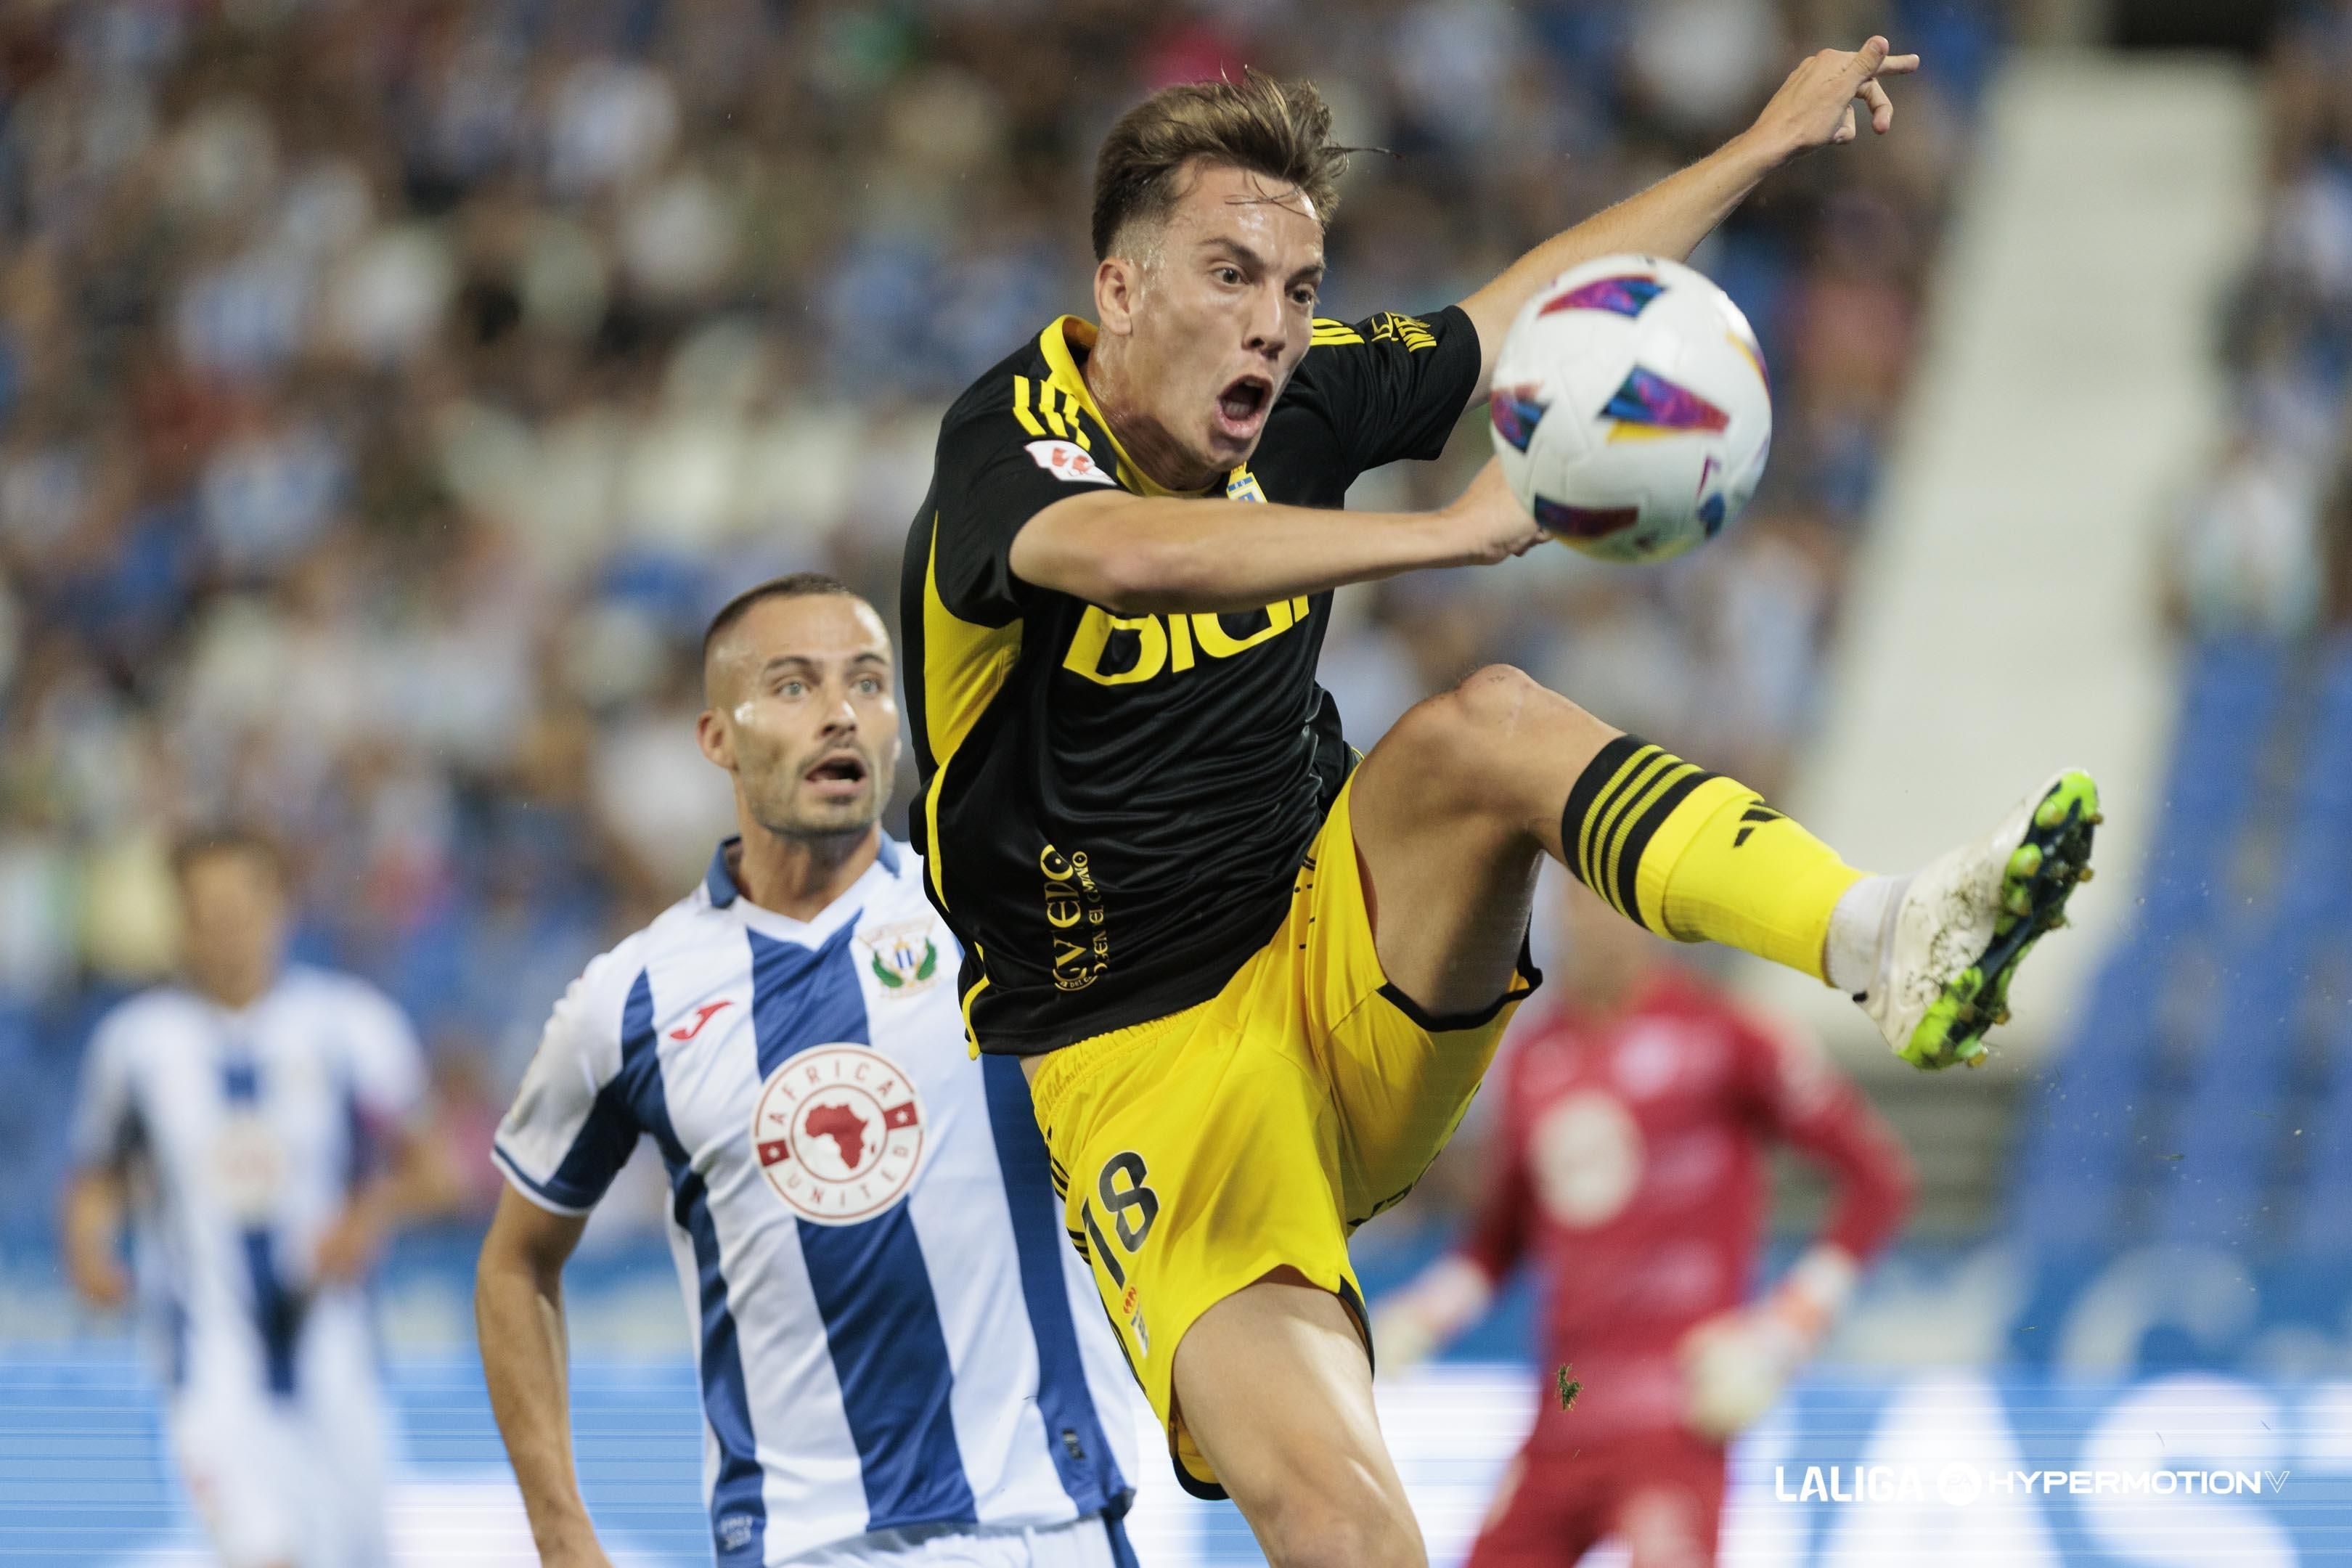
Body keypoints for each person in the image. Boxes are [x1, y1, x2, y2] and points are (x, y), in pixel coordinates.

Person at [899, 42, 2100, 1568]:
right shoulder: (1009, 440)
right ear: (1119, 294)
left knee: (1488, 732)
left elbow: (1520, 306)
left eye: (1301, 288)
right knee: (1340, 1518)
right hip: (1142, 1067)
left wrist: (1760, 144)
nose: (1274, 324)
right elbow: (1127, 553)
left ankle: (1879, 935)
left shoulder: (1301, 407)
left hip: (1342, 954)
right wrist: (1443, 536)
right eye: (1229, 275)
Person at [476, 574, 1142, 1568]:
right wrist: (563, 1534)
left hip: (1048, 1525)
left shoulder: (1010, 919)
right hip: (804, 1548)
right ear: (717, 739)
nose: (841, 714)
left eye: (869, 684)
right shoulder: (630, 1000)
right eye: (793, 687)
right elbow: (514, 1263)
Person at [1373, 878, 1915, 1566]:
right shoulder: (1534, 1062)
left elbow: (1876, 1180)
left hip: (1677, 1419)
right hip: (1564, 1418)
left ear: (1647, 915)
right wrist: (1423, 1315)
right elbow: (1501, 1243)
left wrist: (1785, 1332)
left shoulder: (1725, 1034)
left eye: (1610, 905)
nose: (1595, 924)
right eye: (1578, 903)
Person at [61, 828, 454, 1568]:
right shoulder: (134, 1045)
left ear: (281, 906)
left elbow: (437, 1169)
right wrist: (88, 1251)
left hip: (339, 1363)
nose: (226, 928)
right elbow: (96, 1175)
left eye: (241, 906)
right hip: (208, 1370)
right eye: (206, 911)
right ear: (179, 919)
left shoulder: (352, 1026)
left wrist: (368, 1217)